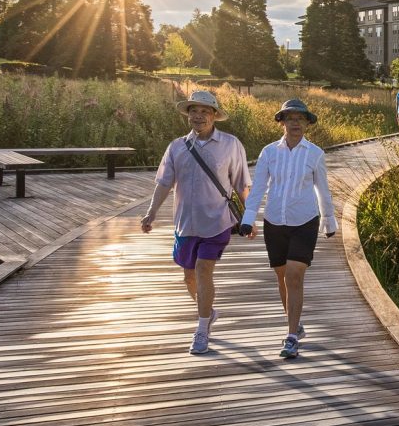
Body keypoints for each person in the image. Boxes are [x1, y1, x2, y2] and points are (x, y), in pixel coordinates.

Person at [141, 90, 249, 355]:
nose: (198, 116)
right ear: (188, 115)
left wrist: (249, 217)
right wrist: (151, 212)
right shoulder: (176, 146)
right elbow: (164, 182)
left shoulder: (230, 144)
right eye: (194, 111)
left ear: (214, 115)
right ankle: (208, 312)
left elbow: (242, 183)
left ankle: (201, 330)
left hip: (217, 221)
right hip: (185, 224)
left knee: (203, 269)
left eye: (204, 111)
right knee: (188, 276)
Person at [238, 97, 337, 359]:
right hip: (274, 222)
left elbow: (323, 190)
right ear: (282, 122)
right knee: (282, 277)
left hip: (305, 221)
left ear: (307, 123)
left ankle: (291, 336)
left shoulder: (315, 154)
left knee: (294, 275)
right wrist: (248, 218)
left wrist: (329, 220)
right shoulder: (269, 152)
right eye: (290, 118)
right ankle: (295, 322)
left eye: (300, 118)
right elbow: (258, 188)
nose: (295, 123)